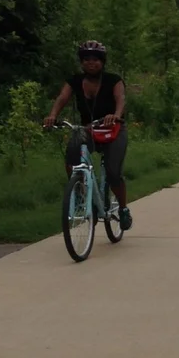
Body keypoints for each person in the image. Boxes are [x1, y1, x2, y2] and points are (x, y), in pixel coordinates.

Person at [44, 40, 133, 230]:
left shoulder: (113, 80)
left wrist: (116, 116)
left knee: (113, 173)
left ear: (102, 62)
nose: (90, 63)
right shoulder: (74, 81)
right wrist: (52, 116)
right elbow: (62, 98)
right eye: (86, 59)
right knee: (71, 158)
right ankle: (79, 192)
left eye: (95, 59)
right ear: (81, 62)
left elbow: (120, 99)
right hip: (88, 129)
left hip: (114, 129)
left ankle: (123, 209)